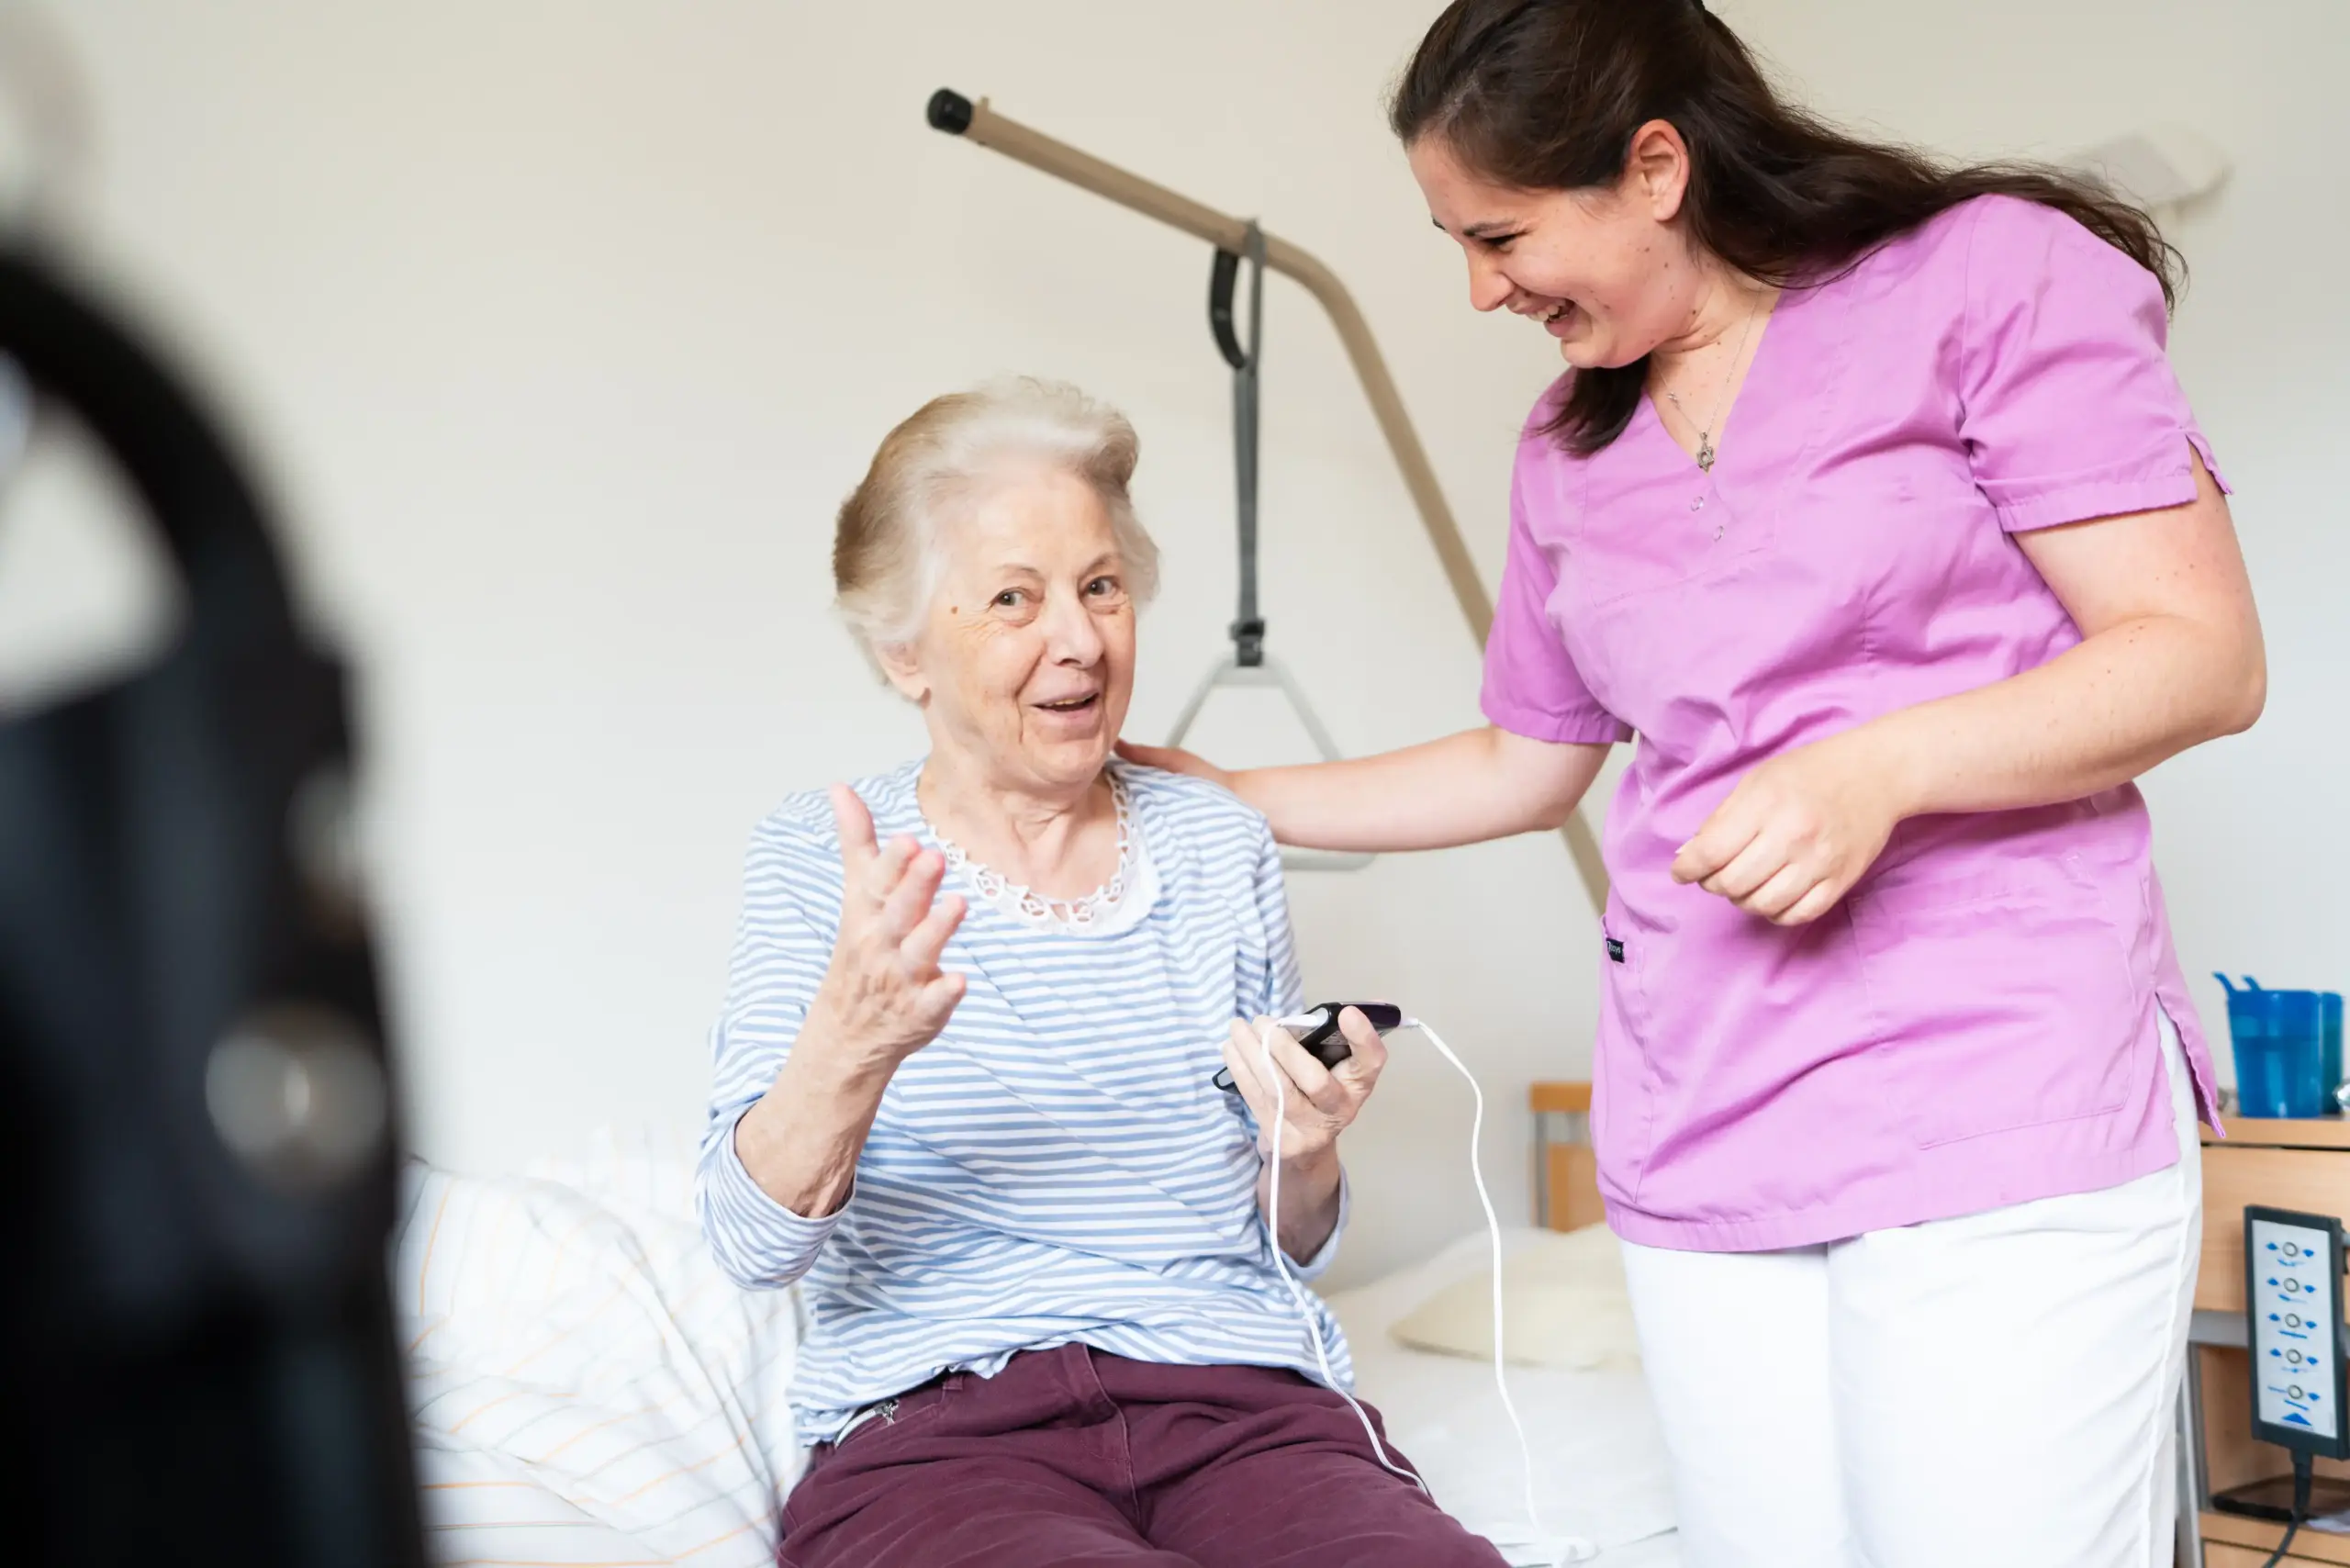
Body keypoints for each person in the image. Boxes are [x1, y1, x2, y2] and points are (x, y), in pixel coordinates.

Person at [1124, 4, 2266, 1565]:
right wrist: (1224, 791)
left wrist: (1884, 769)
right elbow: (1530, 764)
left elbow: (2200, 654)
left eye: (1502, 233)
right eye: (1455, 241)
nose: (1479, 288)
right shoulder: (1567, 448)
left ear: (1655, 166)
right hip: (1706, 1119)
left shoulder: (1988, 277)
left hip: (2002, 1090)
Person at [694, 378, 1507, 1568]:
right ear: (905, 651)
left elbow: (1288, 1239)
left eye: (1101, 587)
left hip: (1244, 1410)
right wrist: (850, 1043)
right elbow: (748, 1245)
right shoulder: (827, 857)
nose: (1078, 639)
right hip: (941, 1436)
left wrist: (1306, 1150)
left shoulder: (1216, 841)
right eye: (1015, 599)